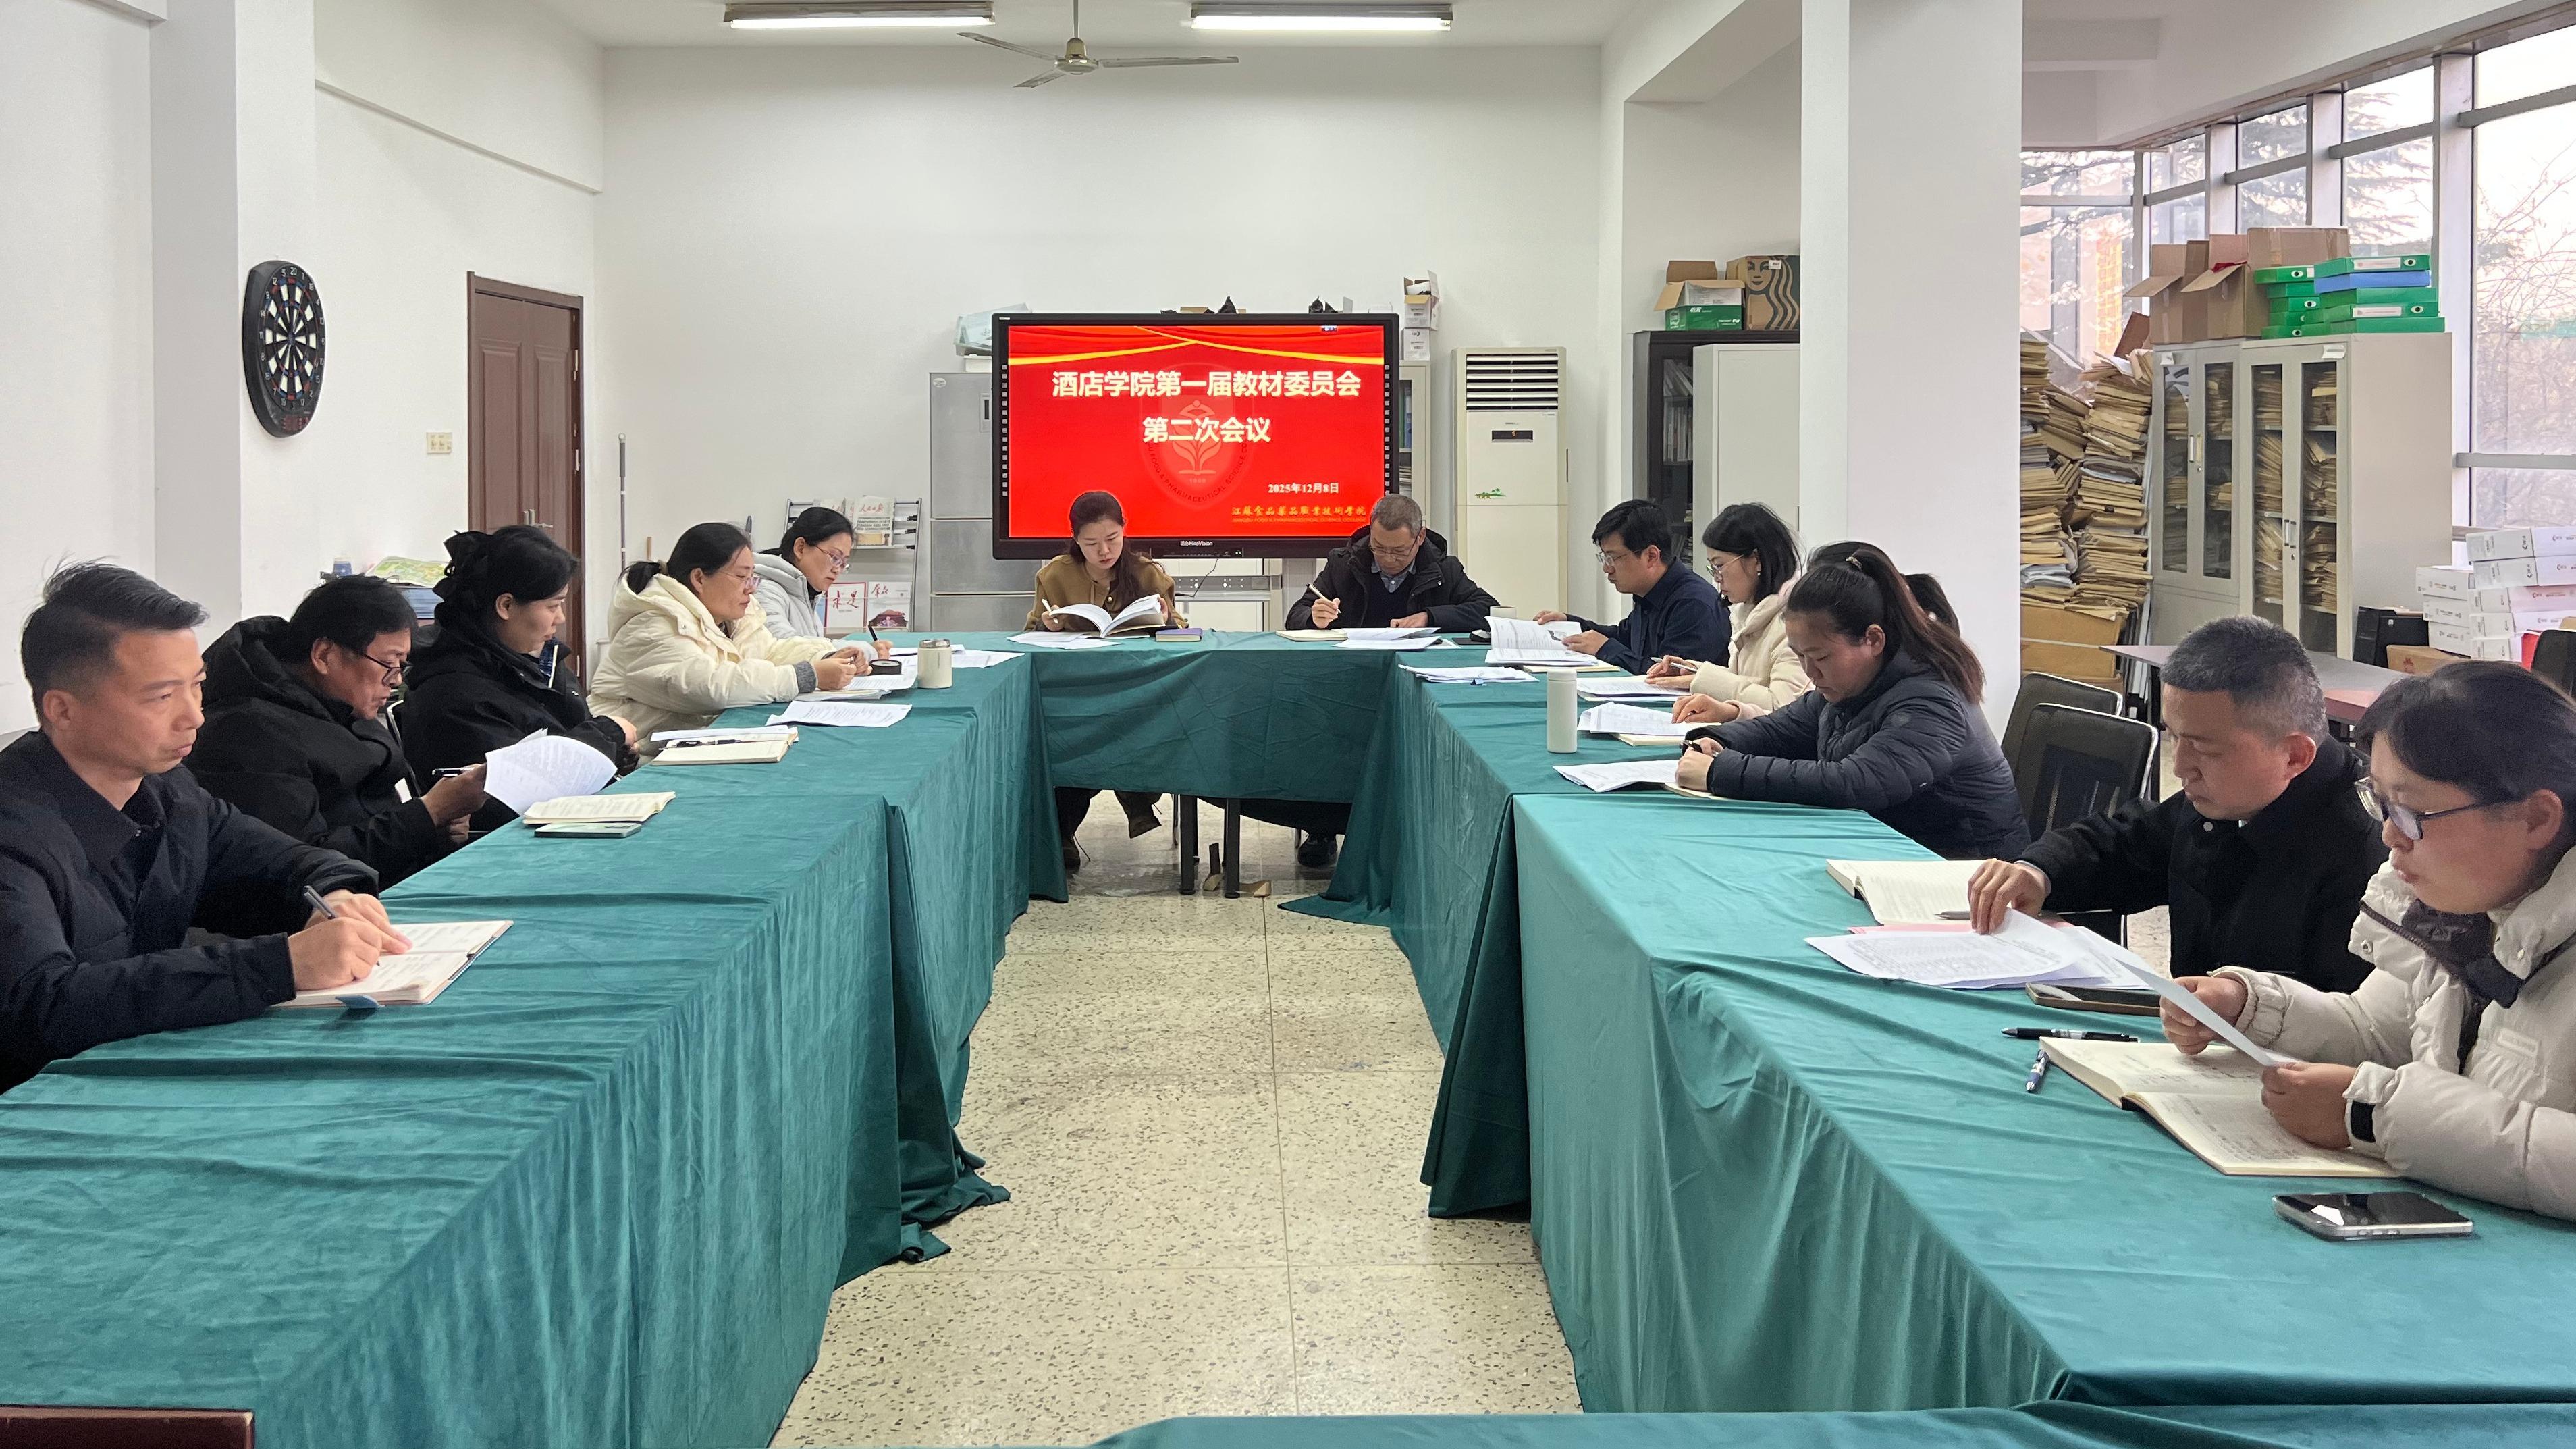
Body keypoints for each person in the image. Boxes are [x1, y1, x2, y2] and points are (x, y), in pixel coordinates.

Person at [2162, 662, 2576, 1221]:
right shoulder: (2461, 912)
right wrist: (2251, 1007)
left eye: (2412, 812)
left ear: (2536, 819)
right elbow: (2376, 1032)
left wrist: (2372, 1116)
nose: (2389, 835)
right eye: (2379, 802)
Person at [0, 564, 410, 1091]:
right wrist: (278, 967)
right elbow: (42, 1006)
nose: (194, 716)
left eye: (197, 687)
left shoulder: (169, 790)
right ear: (63, 709)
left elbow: (282, 861)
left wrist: (333, 894)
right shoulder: (15, 829)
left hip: (141, 1072)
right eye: (161, 697)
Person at [1966, 616, 2383, 992]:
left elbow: (2348, 1023)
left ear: (2294, 756)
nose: (2181, 767)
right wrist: (2037, 872)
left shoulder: (2368, 853)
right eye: (2175, 736)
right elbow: (2124, 846)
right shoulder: (2227, 801)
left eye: (2205, 748)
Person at [1675, 542, 2027, 860]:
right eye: (1800, 656)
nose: (1810, 671)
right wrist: (1715, 740)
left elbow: (1855, 783)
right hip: (1888, 852)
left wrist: (1722, 771)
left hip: (1964, 876)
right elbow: (1783, 729)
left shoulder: (1932, 702)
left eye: (1820, 657)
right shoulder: (1853, 684)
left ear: (1873, 640)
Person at [190, 575, 488, 897]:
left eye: (402, 664)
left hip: (390, 884)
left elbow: (381, 819)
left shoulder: (342, 703)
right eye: (388, 663)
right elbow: (302, 867)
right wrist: (429, 813)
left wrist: (438, 828)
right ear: (324, 655)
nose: (397, 680)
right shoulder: (250, 733)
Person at [402, 526, 639, 833]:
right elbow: (520, 791)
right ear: (506, 606)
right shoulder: (454, 691)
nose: (561, 618)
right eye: (553, 605)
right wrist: (608, 736)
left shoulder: (533, 663)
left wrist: (615, 755)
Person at [589, 522, 883, 743]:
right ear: (699, 578)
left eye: (752, 578)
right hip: (639, 760)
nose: (750, 589)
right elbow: (706, 686)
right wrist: (804, 676)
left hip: (698, 745)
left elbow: (771, 651)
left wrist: (828, 655)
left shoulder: (734, 616)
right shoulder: (653, 622)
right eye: (742, 577)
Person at [1030, 491, 1176, 865]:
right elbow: (1029, 635)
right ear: (1076, 540)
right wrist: (1048, 627)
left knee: (1124, 729)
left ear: (1125, 531)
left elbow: (1183, 636)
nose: (1104, 551)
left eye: (1112, 539)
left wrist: (1166, 621)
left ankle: (1134, 795)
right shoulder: (1055, 575)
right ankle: (1068, 829)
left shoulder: (1147, 573)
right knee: (1073, 738)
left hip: (1139, 688)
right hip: (1075, 694)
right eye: (1092, 543)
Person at [1646, 502, 1810, 725]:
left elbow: (1782, 706)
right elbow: (1748, 681)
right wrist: (1691, 670)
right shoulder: (1748, 611)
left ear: (1756, 560)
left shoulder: (1793, 622)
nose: (1716, 578)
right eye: (1712, 568)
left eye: (1719, 566)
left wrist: (1704, 680)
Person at [1533, 500, 1727, 675]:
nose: (1607, 568)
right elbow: (1624, 637)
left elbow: (1668, 677)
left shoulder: (1694, 604)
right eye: (1604, 557)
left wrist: (1605, 649)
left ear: (1651, 556)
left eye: (1613, 558)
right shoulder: (1650, 592)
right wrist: (1571, 624)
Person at [1284, 494, 1497, 633]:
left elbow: (1488, 610)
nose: (1387, 558)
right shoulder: (1344, 564)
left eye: (1399, 551)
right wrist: (1315, 618)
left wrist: (1429, 617)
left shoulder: (1442, 569)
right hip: (1354, 667)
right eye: (1378, 547)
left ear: (1420, 537)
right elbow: (1295, 616)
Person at [753, 506, 855, 641]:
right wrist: (862, 649)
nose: (837, 570)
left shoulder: (807, 594)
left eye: (843, 563)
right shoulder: (764, 590)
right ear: (800, 548)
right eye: (835, 557)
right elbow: (784, 646)